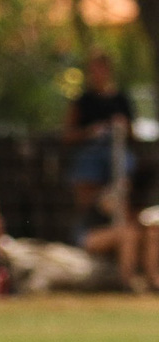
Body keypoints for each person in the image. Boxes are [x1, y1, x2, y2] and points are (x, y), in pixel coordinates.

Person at [65, 53, 135, 224]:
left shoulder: (121, 99)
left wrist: (122, 126)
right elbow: (67, 134)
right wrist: (89, 132)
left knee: (124, 169)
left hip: (116, 150)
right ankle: (87, 224)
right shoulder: (83, 100)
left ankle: (114, 211)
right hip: (89, 151)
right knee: (85, 180)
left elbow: (133, 133)